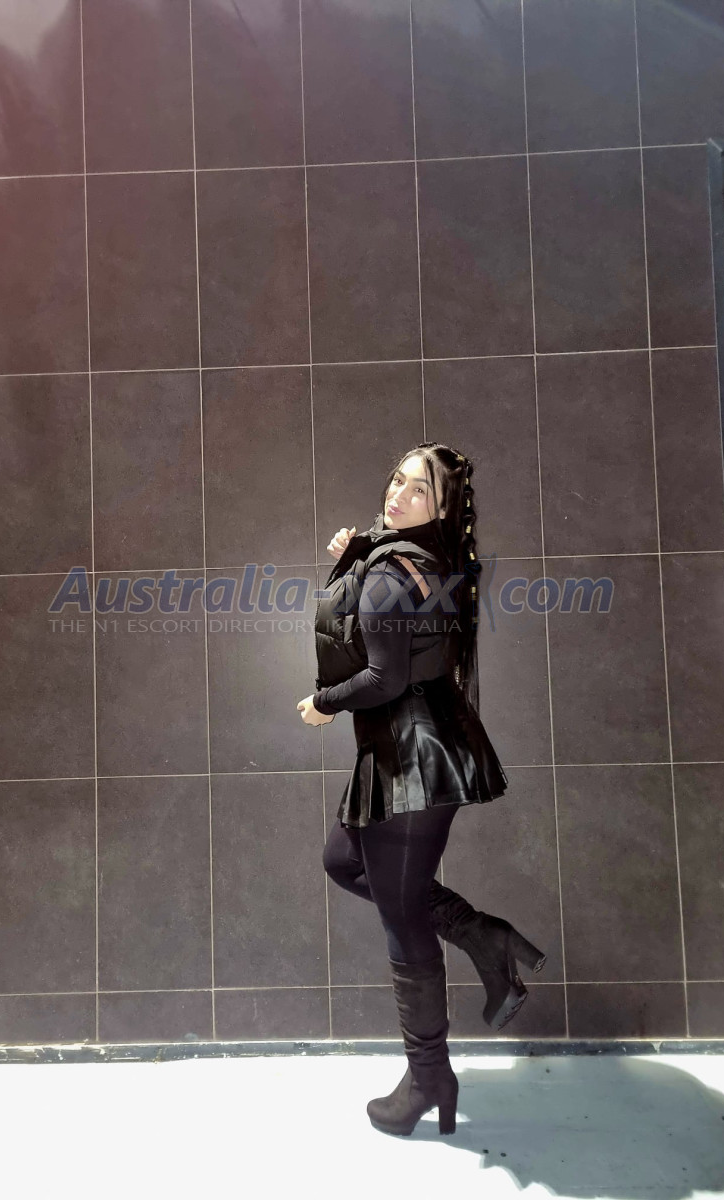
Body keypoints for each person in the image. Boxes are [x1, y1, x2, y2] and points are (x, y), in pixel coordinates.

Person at [296, 442, 546, 1138]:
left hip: (411, 757)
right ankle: (482, 935)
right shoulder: (431, 560)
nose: (399, 495)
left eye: (419, 491)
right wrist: (358, 553)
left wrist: (324, 704)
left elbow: (383, 676)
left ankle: (428, 1076)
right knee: (344, 860)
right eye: (398, 480)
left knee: (403, 919)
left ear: (442, 507)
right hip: (421, 747)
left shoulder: (394, 569)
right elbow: (394, 629)